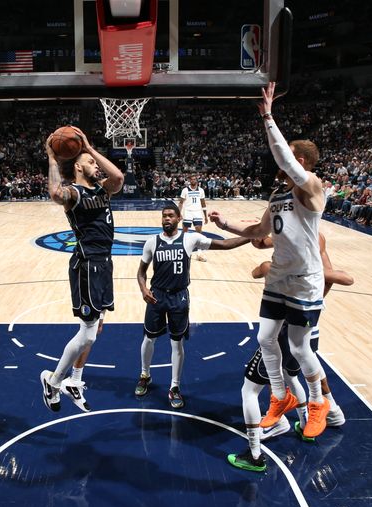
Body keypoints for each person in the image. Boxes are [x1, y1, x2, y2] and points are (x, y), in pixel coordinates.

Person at [210, 81, 330, 466]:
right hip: (279, 277)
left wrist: (267, 115)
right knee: (265, 338)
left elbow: (283, 155)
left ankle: (318, 404)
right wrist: (224, 222)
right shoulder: (277, 196)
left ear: (303, 163)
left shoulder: (312, 188)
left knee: (298, 347)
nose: (282, 164)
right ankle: (281, 396)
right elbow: (257, 233)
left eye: (291, 159)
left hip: (304, 279)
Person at [227, 233, 353, 472]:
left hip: (283, 332)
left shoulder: (280, 267)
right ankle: (312, 420)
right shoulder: (317, 272)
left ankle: (255, 453)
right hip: (309, 330)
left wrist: (269, 260)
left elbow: (257, 269)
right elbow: (344, 278)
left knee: (250, 389)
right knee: (294, 373)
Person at [39, 126, 124, 413]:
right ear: (76, 165)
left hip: (105, 263)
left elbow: (119, 177)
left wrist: (90, 148)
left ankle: (75, 380)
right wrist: (52, 157)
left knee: (96, 327)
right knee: (87, 334)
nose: (95, 165)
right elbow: (53, 191)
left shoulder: (104, 189)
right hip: (87, 264)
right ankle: (53, 381)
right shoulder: (74, 194)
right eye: (89, 162)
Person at [135, 204, 251, 408]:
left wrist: (251, 236)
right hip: (157, 296)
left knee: (176, 343)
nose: (166, 219)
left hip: (179, 297)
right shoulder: (152, 242)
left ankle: (175, 387)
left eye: (170, 215)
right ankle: (145, 375)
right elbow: (141, 272)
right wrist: (144, 289)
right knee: (149, 338)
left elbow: (224, 245)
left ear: (179, 218)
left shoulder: (190, 239)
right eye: (164, 216)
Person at [178, 176, 209, 261]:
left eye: (194, 179)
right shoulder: (185, 190)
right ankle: (184, 249)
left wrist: (205, 216)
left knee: (199, 230)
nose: (193, 180)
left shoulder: (201, 190)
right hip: (188, 212)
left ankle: (199, 252)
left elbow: (203, 203)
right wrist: (178, 213)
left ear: (197, 181)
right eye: (191, 179)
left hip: (197, 212)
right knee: (185, 230)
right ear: (189, 181)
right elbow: (181, 203)